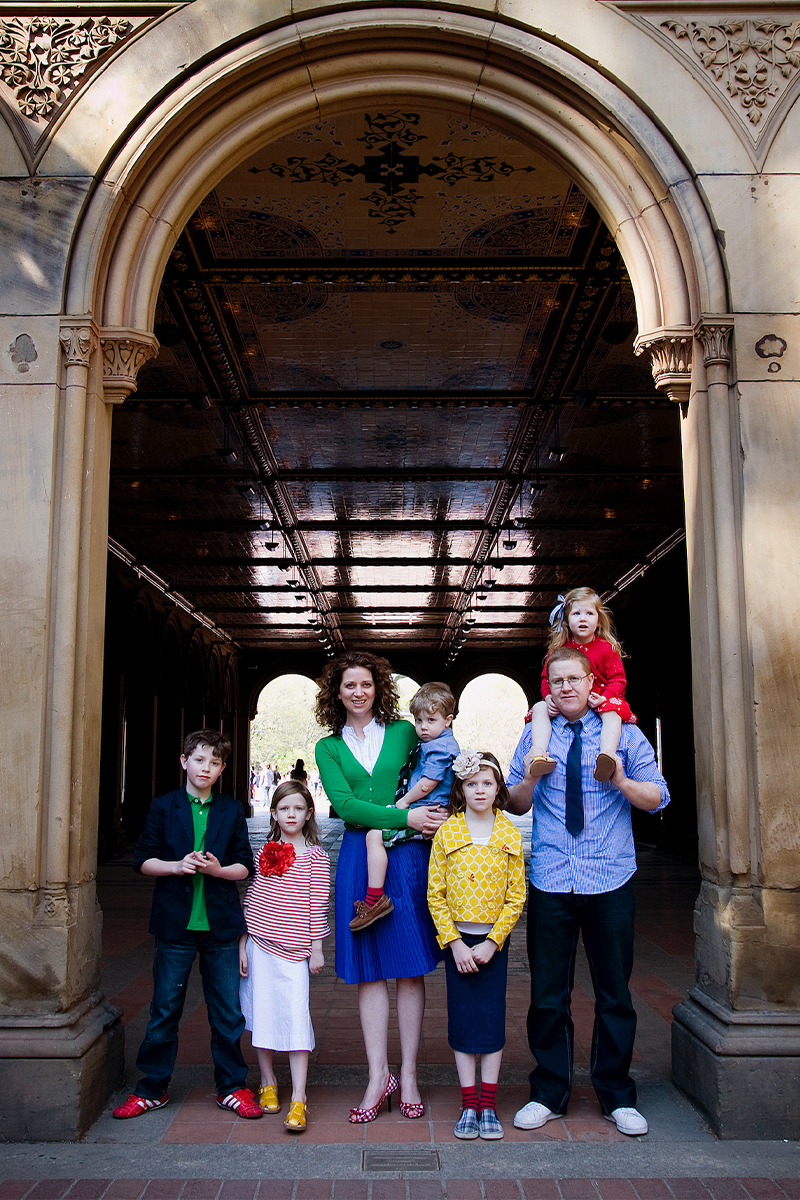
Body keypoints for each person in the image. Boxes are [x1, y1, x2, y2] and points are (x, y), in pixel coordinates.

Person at [506, 647, 670, 1137]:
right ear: (548, 687)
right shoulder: (535, 735)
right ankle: (548, 1091)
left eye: (575, 678)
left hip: (610, 878)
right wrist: (531, 780)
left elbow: (659, 795)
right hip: (552, 878)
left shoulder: (625, 732)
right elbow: (513, 802)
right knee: (547, 995)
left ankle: (616, 1095)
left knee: (614, 993)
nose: (567, 688)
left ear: (590, 679)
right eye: (557, 681)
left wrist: (619, 775)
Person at [314, 651, 448, 1123]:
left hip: (408, 856)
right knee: (369, 969)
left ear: (378, 689)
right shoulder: (327, 748)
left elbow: (441, 765)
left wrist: (432, 815)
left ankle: (408, 1074)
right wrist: (403, 815)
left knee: (410, 966)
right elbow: (346, 806)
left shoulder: (406, 732)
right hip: (357, 857)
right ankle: (378, 1075)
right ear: (337, 692)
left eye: (366, 684)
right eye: (348, 685)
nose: (357, 692)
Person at [112, 729, 262, 1121]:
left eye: (214, 763)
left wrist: (217, 869)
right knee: (164, 1009)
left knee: (228, 1012)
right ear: (184, 762)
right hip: (175, 924)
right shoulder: (164, 807)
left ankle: (231, 1086)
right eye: (199, 760)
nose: (206, 768)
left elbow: (246, 865)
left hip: (222, 927)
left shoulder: (231, 810)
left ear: (223, 768)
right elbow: (142, 859)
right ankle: (152, 1088)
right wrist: (178, 865)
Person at [427, 750, 525, 1141]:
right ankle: (469, 1103)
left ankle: (489, 1103)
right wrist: (453, 943)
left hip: (490, 945)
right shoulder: (448, 832)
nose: (479, 790)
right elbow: (435, 892)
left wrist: (493, 941)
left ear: (498, 787)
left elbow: (516, 894)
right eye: (471, 783)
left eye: (487, 783)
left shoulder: (508, 833)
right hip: (459, 946)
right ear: (461, 788)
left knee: (491, 1020)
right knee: (464, 1019)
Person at [239, 780, 330, 1134]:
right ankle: (267, 1081)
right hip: (260, 943)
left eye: (298, 808)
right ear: (274, 813)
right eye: (284, 808)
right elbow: (254, 896)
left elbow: (317, 905)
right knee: (262, 1012)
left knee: (294, 1016)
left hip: (295, 950)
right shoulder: (269, 849)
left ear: (309, 814)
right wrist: (243, 941)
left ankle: (299, 1096)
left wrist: (317, 949)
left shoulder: (316, 856)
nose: (291, 814)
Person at [353, 681, 460, 932]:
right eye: (419, 720)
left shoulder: (440, 747)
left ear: (448, 720)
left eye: (431, 720)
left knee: (374, 835)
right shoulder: (435, 742)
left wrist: (404, 802)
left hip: (425, 809)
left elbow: (428, 783)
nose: (423, 727)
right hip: (425, 808)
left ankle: (375, 899)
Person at [527, 587, 636, 783]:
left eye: (589, 613)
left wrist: (606, 697)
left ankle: (607, 755)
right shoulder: (559, 649)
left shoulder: (606, 648)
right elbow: (546, 679)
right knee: (539, 708)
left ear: (599, 619)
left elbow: (618, 679)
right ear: (567, 620)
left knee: (613, 714)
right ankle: (538, 753)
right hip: (568, 702)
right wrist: (549, 697)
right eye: (576, 614)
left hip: (599, 699)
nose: (583, 618)